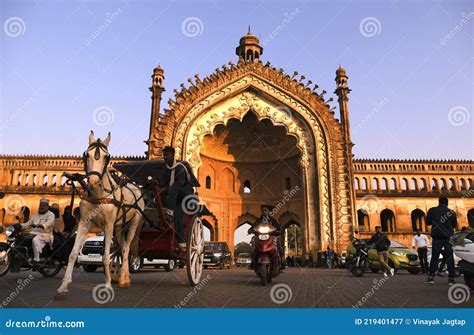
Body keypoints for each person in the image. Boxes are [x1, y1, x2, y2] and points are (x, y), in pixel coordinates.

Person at [162, 146, 195, 249]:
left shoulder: (180, 168)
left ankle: (169, 211)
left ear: (173, 155)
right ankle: (181, 241)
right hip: (175, 198)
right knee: (178, 218)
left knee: (174, 187)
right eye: (164, 155)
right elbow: (164, 183)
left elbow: (179, 184)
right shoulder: (167, 170)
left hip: (186, 194)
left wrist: (166, 189)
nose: (165, 157)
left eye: (167, 155)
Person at [426, 197, 457, 285]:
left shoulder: (432, 210)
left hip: (437, 237)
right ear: (447, 203)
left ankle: (431, 277)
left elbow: (427, 222)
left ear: (439, 202)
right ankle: (451, 278)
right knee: (450, 258)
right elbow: (454, 225)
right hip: (448, 237)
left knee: (435, 257)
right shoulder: (451, 212)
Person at [248, 204, 284, 269]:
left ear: (268, 211)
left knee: (279, 245)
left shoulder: (273, 220)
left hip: (271, 237)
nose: (264, 212)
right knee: (253, 245)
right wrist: (250, 230)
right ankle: (253, 261)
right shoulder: (258, 220)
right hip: (260, 237)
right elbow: (253, 227)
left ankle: (283, 261)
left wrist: (278, 231)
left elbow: (278, 228)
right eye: (262, 211)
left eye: (265, 210)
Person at [20, 199, 55, 264]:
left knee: (35, 240)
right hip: (33, 233)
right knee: (22, 238)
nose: (41, 207)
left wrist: (42, 225)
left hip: (45, 235)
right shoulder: (36, 214)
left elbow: (49, 222)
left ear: (47, 206)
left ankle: (37, 259)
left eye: (43, 205)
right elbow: (29, 223)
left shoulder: (51, 214)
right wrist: (19, 226)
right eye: (40, 205)